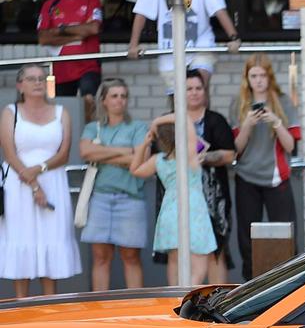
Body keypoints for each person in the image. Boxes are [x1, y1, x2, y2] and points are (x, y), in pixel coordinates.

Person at [0, 64, 81, 298]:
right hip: (18, 182)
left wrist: (40, 168)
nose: (37, 82)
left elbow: (64, 153)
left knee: (51, 238)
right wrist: (34, 183)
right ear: (20, 85)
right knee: (21, 238)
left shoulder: (61, 112)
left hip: (53, 181)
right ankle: (21, 306)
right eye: (31, 78)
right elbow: (9, 152)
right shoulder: (10, 112)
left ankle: (50, 308)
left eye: (41, 78)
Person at [230, 54, 301, 281]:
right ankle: (250, 287)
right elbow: (236, 150)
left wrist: (276, 122)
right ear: (247, 78)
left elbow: (290, 146)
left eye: (262, 75)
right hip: (246, 178)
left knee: (286, 237)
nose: (258, 80)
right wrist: (248, 125)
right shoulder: (238, 103)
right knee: (247, 241)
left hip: (276, 178)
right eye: (253, 76)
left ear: (269, 77)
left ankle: (288, 285)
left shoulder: (283, 102)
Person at [79, 78, 149, 291]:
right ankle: (101, 309)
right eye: (115, 96)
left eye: (123, 96)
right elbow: (85, 152)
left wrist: (103, 154)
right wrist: (126, 152)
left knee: (131, 256)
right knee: (101, 256)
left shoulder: (138, 126)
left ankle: (135, 309)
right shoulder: (94, 127)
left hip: (130, 198)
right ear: (104, 100)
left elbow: (142, 159)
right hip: (100, 198)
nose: (120, 100)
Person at [129, 114, 217, 286]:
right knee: (198, 269)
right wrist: (157, 121)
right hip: (193, 211)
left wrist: (145, 143)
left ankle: (174, 302)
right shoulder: (189, 155)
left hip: (170, 212)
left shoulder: (158, 160)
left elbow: (135, 169)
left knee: (175, 263)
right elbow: (185, 119)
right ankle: (187, 300)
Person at [128, 0, 241, 91]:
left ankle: (203, 109)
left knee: (198, 88)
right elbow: (142, 10)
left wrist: (234, 38)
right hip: (170, 50)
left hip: (200, 46)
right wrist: (133, 45)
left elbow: (218, 9)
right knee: (177, 101)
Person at [185, 70, 236, 284]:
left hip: (214, 196)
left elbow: (230, 154)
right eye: (189, 89)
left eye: (199, 88)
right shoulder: (170, 120)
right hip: (180, 194)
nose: (194, 93)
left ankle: (218, 303)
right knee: (182, 249)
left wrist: (202, 158)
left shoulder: (216, 120)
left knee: (216, 248)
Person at [37, 0, 103, 122]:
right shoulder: (49, 5)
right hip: (61, 69)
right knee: (62, 114)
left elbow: (93, 29)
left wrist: (59, 30)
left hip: (88, 67)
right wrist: (76, 33)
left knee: (90, 107)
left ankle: (89, 142)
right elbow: (43, 38)